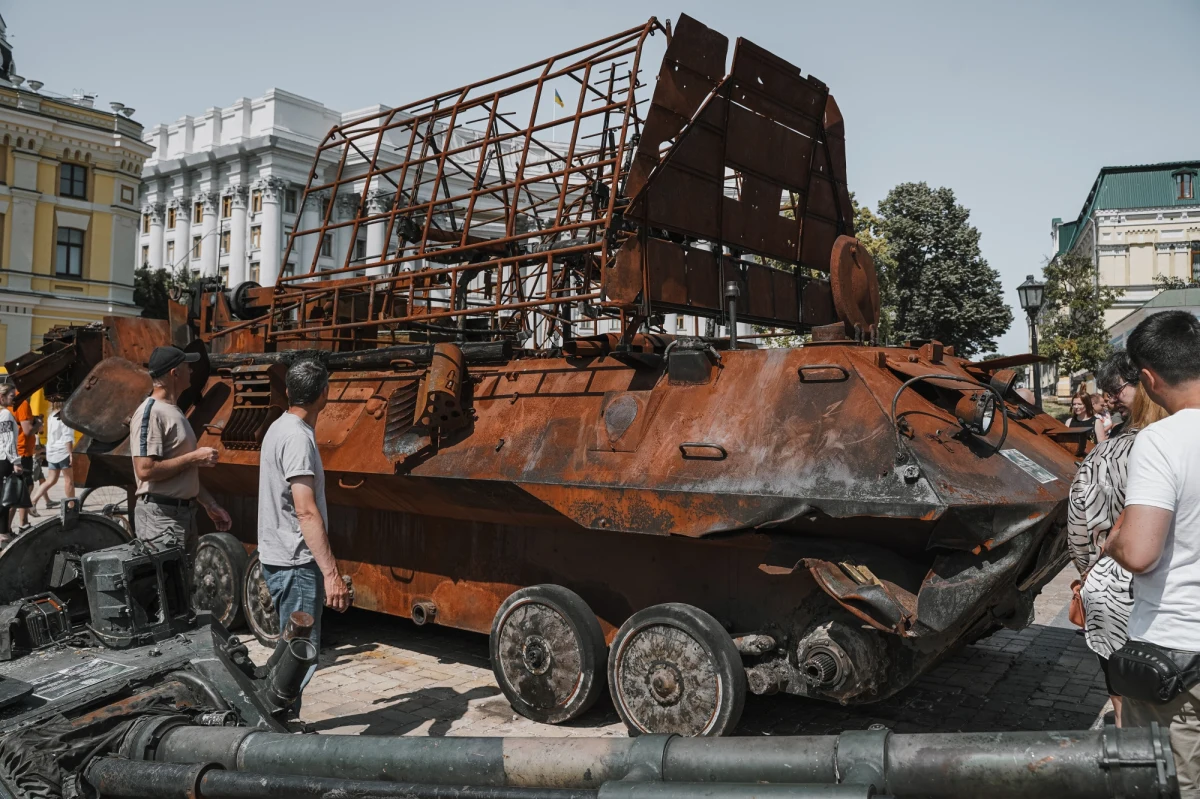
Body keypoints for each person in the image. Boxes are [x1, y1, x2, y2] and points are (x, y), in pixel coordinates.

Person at [1105, 310, 1200, 792]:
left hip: (1178, 659)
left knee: (1170, 785)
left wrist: (1113, 538)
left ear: (1147, 378)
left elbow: (1140, 551)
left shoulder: (1162, 440)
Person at [1068, 382, 1168, 724]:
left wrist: (1088, 571)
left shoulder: (1104, 453)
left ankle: (1131, 748)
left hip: (1111, 586)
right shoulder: (1180, 444)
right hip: (1171, 592)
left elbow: (1078, 524)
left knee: (1122, 692)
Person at [257, 359, 351, 717]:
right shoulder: (297, 437)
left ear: (288, 392)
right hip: (295, 562)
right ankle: (277, 727)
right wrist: (331, 574)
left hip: (280, 557)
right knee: (299, 659)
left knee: (290, 653)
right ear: (324, 394)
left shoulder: (280, 427)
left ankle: (278, 723)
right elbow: (305, 510)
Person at [129, 346, 231, 555]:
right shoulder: (151, 412)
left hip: (181, 514)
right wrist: (193, 457)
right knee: (166, 585)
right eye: (187, 367)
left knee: (182, 585)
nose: (191, 371)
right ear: (174, 373)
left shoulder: (172, 410)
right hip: (161, 518)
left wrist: (209, 504)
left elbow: (182, 471)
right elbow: (145, 470)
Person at [30, 401, 75, 511]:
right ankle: (72, 506)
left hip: (52, 451)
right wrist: (70, 453)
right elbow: (67, 437)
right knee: (69, 481)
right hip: (63, 451)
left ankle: (33, 501)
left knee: (51, 480)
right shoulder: (64, 417)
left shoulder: (51, 416)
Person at [0, 386, 23, 548]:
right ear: (1, 397)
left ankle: (3, 532)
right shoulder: (6, 414)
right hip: (5, 460)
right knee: (5, 498)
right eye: (10, 396)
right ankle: (3, 533)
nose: (13, 399)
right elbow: (8, 441)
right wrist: (16, 462)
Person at [1097, 351, 1139, 437]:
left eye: (1116, 390)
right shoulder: (1116, 433)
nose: (1112, 401)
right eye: (1110, 394)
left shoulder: (1166, 431)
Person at [13, 397, 40, 529]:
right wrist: (38, 423)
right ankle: (19, 525)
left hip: (15, 451)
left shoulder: (8, 404)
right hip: (22, 453)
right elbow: (28, 430)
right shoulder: (22, 403)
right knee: (21, 490)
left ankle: (22, 523)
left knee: (22, 488)